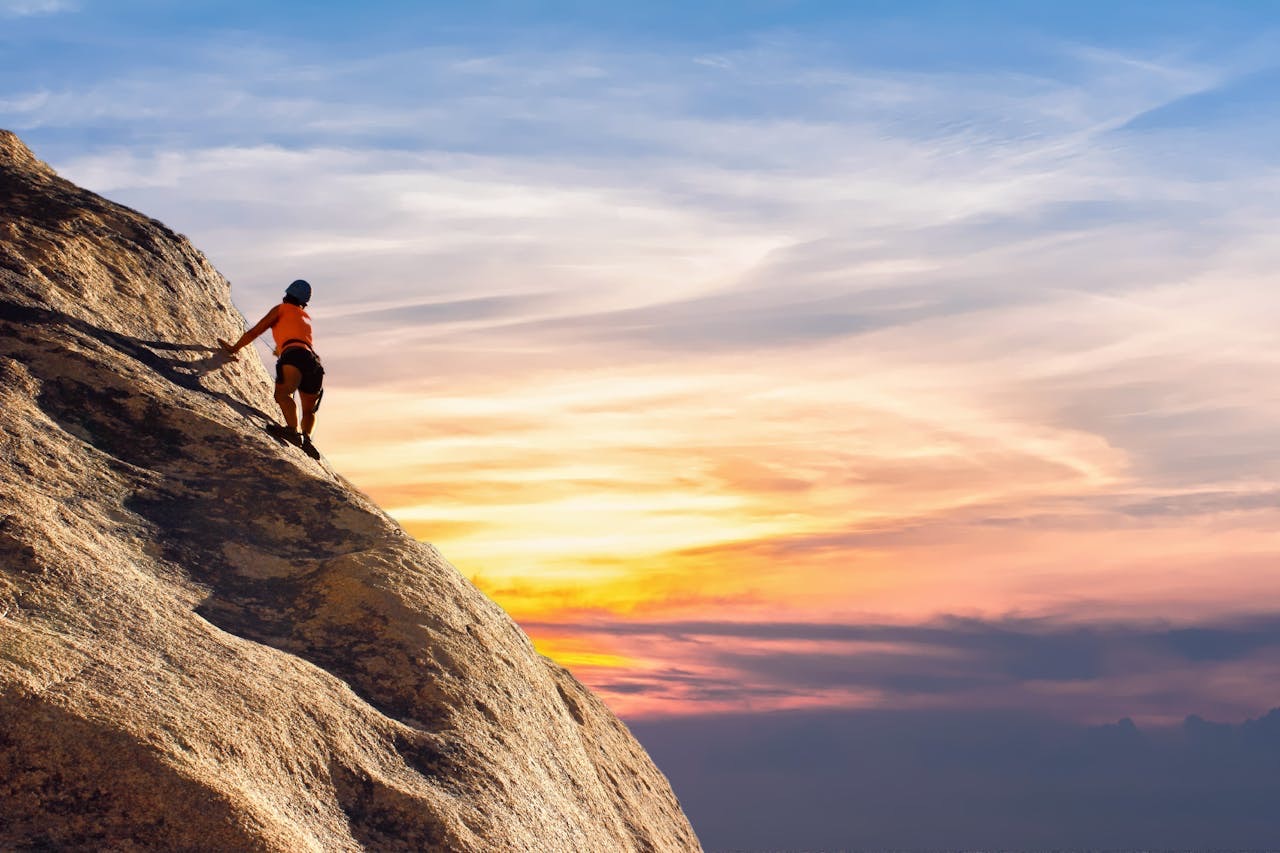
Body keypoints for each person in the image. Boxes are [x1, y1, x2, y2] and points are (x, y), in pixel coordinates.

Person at [219, 279, 324, 458]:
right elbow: (298, 338)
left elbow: (255, 332)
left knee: (283, 394)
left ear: (287, 295)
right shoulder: (305, 318)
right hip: (315, 363)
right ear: (303, 302)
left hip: (294, 355)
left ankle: (292, 430)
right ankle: (306, 439)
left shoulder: (281, 309)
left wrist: (234, 348)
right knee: (308, 410)